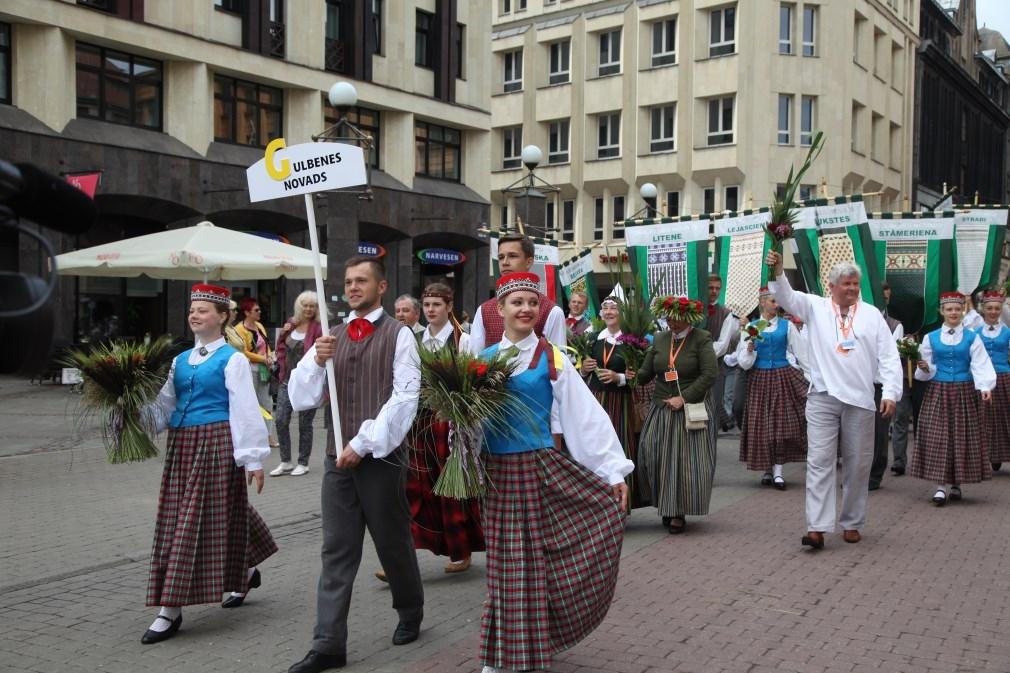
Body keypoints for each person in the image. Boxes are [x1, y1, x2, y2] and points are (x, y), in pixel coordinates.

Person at [478, 271, 632, 673]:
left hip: (539, 469)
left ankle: (530, 647)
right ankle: (502, 655)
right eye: (517, 303)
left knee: (533, 561)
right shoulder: (480, 362)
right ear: (501, 310)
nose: (526, 309)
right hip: (495, 473)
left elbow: (585, 417)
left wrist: (612, 470)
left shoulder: (553, 356)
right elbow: (467, 424)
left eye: (533, 303)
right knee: (505, 563)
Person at [286, 257, 423, 673]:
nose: (352, 287)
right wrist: (313, 359)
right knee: (337, 550)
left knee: (392, 541)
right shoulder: (332, 336)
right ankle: (328, 643)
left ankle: (410, 608)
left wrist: (364, 443)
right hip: (336, 462)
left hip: (381, 457)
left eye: (361, 280)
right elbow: (301, 399)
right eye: (347, 282)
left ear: (381, 287)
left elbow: (405, 398)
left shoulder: (399, 335)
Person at [140, 284, 276, 644]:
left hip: (216, 442)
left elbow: (245, 408)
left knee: (189, 520)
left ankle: (170, 608)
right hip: (182, 445)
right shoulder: (180, 360)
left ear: (222, 317)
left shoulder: (231, 358)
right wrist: (128, 408)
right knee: (214, 511)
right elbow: (163, 408)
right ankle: (245, 571)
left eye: (203, 309)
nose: (195, 314)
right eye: (192, 309)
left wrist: (253, 460)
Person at [766, 250, 901, 550]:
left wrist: (890, 392)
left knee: (857, 464)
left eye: (855, 284)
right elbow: (786, 296)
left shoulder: (871, 315)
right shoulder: (814, 307)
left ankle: (852, 521)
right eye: (846, 284)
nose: (852, 289)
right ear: (831, 286)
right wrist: (776, 270)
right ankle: (817, 527)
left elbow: (889, 357)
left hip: (860, 400)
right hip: (822, 396)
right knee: (819, 461)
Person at [401, 282, 484, 574]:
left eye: (437, 305)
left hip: (451, 424)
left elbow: (473, 384)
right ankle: (406, 555)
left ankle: (460, 551)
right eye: (427, 305)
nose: (431, 310)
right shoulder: (417, 341)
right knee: (417, 488)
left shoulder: (465, 341)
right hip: (422, 423)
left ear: (449, 307)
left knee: (452, 487)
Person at [636, 296, 718, 535]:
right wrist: (632, 368)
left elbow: (710, 374)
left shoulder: (701, 339)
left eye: (677, 319)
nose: (672, 323)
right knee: (652, 453)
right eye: (669, 318)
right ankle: (666, 504)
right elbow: (646, 372)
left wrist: (684, 398)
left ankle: (678, 512)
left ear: (688, 318)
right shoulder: (661, 338)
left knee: (682, 462)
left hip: (689, 409)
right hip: (661, 406)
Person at [912, 292, 995, 506]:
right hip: (938, 390)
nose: (953, 313)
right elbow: (928, 369)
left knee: (961, 436)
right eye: (949, 309)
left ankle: (957, 483)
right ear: (942, 312)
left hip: (964, 391)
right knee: (938, 436)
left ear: (962, 311)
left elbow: (980, 362)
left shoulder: (971, 337)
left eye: (957, 309)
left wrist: (985, 386)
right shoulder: (930, 337)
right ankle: (940, 486)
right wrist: (925, 367)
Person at [734, 288, 809, 490]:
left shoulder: (787, 326)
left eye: (777, 301)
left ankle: (778, 472)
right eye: (773, 301)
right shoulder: (751, 327)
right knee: (763, 426)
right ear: (763, 303)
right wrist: (750, 350)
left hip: (782, 376)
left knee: (779, 425)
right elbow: (743, 363)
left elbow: (801, 353)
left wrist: (811, 377)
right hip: (759, 379)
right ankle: (767, 469)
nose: (777, 305)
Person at [581, 296, 647, 508]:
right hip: (596, 400)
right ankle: (597, 503)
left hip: (621, 403)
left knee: (620, 446)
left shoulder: (631, 340)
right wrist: (584, 369)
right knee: (596, 447)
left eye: (613, 308)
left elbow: (638, 377)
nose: (609, 312)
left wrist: (618, 377)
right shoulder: (592, 339)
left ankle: (622, 503)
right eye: (605, 308)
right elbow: (581, 375)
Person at [467, 233, 566, 353]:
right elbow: (474, 361)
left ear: (529, 262)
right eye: (501, 257)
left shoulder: (551, 312)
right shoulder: (484, 310)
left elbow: (558, 363)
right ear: (500, 309)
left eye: (512, 256)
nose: (505, 262)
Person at [270, 291, 323, 477]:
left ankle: (303, 462)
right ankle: (285, 461)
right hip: (287, 379)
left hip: (308, 382)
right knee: (281, 419)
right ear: (299, 307)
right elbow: (280, 346)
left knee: (304, 423)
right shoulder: (291, 325)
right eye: (305, 305)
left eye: (312, 306)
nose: (308, 309)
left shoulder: (318, 327)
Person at [869, 292, 905, 490]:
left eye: (886, 297)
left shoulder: (893, 324)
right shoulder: (857, 318)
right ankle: (857, 473)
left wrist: (889, 391)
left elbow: (891, 357)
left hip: (879, 384)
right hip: (859, 382)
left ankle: (875, 474)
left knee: (879, 432)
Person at [235, 297, 278, 448]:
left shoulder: (259, 325)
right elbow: (243, 351)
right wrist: (261, 358)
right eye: (256, 310)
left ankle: (268, 436)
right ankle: (251, 436)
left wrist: (270, 356)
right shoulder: (239, 330)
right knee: (251, 403)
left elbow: (266, 344)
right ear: (247, 312)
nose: (260, 312)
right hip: (250, 368)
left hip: (263, 368)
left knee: (266, 402)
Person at [704, 274, 741, 439]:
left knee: (713, 409)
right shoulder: (694, 308)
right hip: (692, 369)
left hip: (714, 369)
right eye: (711, 287)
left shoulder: (726, 314)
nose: (714, 291)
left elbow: (722, 345)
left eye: (717, 288)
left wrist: (697, 352)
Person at [978, 291, 1010, 472]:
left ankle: (1002, 453)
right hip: (982, 379)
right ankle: (988, 455)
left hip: (1003, 376)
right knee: (984, 418)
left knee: (1004, 416)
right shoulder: (974, 333)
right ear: (983, 309)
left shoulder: (1007, 333)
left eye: (997, 308)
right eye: (989, 308)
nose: (993, 312)